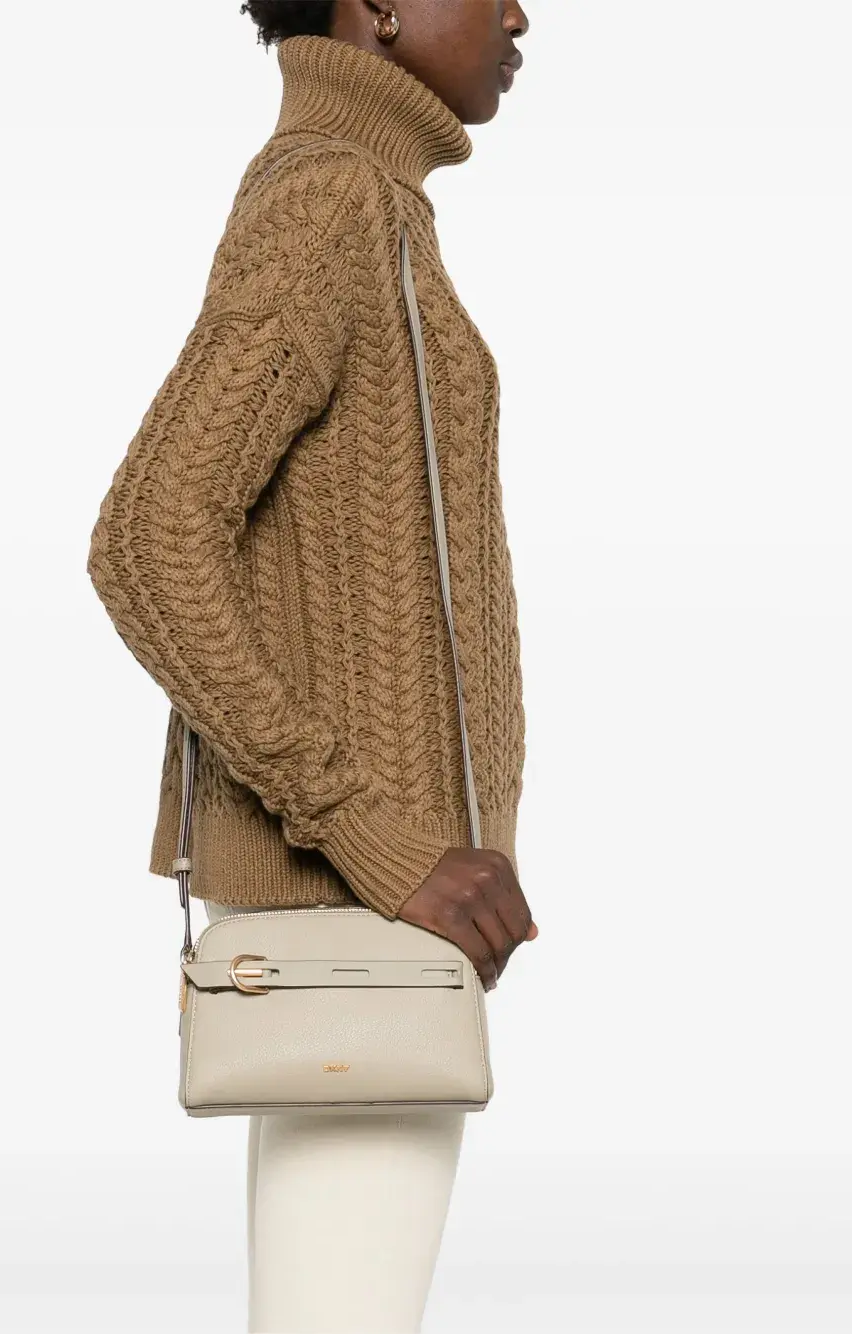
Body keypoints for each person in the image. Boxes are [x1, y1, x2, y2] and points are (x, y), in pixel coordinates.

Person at [87, 2, 539, 1329]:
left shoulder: (373, 205)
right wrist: (379, 839)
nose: (519, 12)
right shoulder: (330, 201)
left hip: (376, 905)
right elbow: (148, 536)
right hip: (356, 907)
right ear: (378, 4)